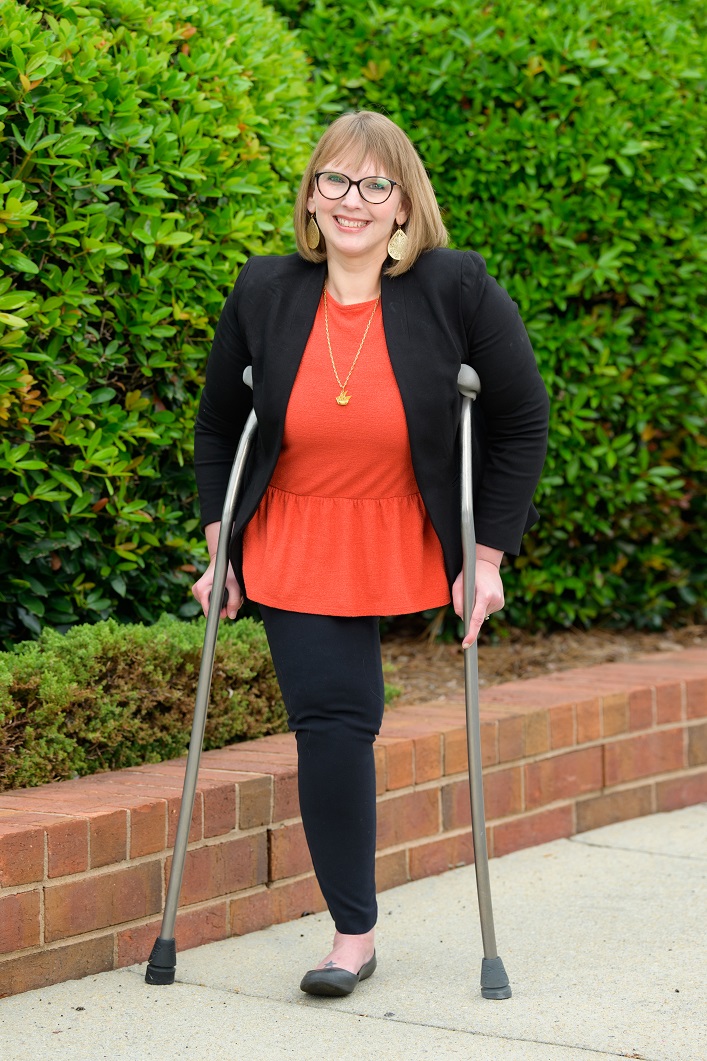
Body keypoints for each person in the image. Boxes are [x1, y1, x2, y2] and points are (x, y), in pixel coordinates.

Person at [192, 110, 549, 997]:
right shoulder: (264, 288)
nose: (352, 201)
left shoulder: (454, 287)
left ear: (403, 205)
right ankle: (353, 934)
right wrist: (219, 539)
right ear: (311, 196)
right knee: (335, 726)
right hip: (299, 527)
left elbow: (518, 420)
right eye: (334, 181)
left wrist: (488, 555)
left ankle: (354, 925)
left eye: (374, 185)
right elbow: (218, 423)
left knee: (341, 722)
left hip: (407, 520)